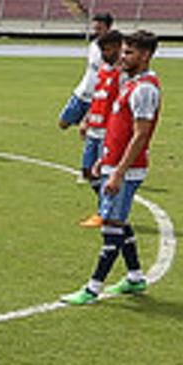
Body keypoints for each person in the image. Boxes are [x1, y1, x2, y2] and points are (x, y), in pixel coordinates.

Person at [62, 31, 161, 305]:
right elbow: (119, 128)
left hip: (126, 170)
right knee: (119, 221)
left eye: (129, 52)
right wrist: (104, 159)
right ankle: (135, 277)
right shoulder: (130, 83)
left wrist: (117, 171)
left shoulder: (144, 89)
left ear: (145, 55)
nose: (123, 56)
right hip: (113, 163)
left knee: (112, 227)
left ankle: (93, 288)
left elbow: (141, 134)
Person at [71, 30, 123, 228]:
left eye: (108, 49)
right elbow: (98, 97)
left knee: (104, 173)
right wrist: (86, 120)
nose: (104, 53)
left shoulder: (122, 75)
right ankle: (105, 207)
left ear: (119, 47)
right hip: (94, 128)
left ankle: (105, 212)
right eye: (102, 49)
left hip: (108, 133)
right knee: (88, 171)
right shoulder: (103, 70)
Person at [57, 13, 114, 131]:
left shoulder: (114, 50)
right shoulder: (93, 45)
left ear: (108, 28)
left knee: (88, 130)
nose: (96, 31)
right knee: (63, 123)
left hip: (97, 97)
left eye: (100, 29)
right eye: (95, 28)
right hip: (81, 93)